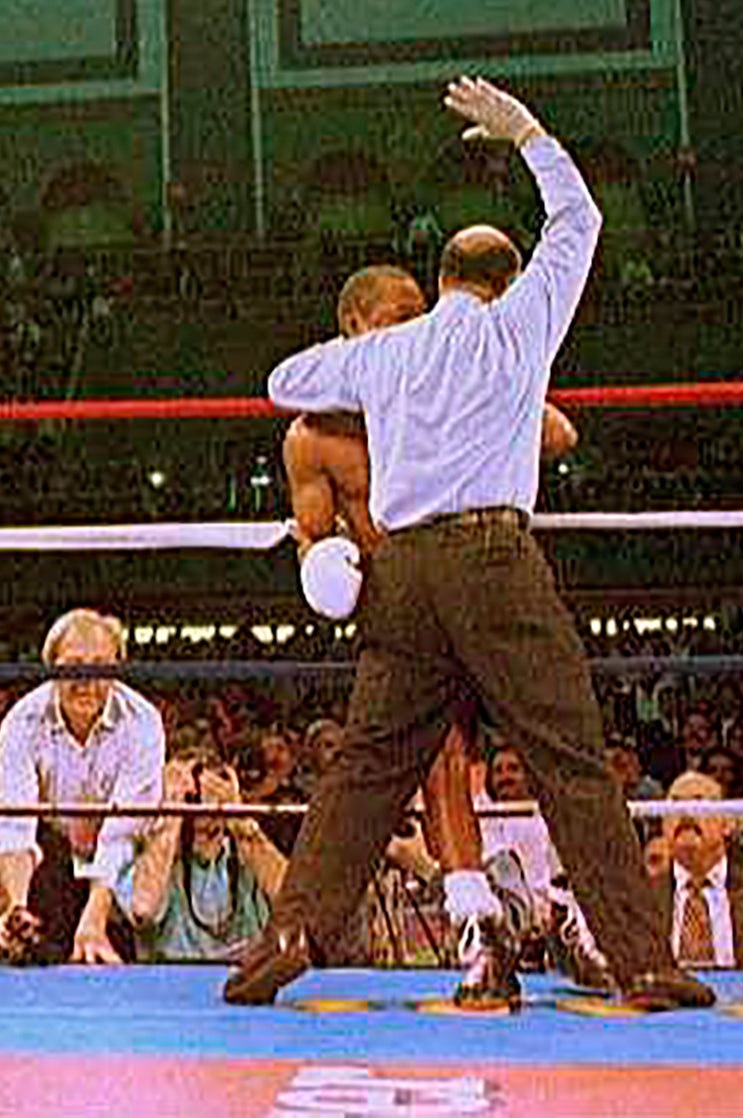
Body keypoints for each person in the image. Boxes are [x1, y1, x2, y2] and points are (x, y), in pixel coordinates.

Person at [226, 77, 712, 1012]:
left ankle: (289, 933)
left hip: (404, 573)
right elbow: (580, 220)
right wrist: (524, 130)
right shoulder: (522, 324)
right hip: (493, 560)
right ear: (505, 278)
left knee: (370, 761)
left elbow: (285, 379)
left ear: (442, 281)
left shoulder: (389, 352)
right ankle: (644, 961)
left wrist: (371, 378)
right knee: (569, 753)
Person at [282, 261, 580, 1006]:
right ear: (351, 329)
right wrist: (324, 565)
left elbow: (557, 433)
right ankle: (476, 924)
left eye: (421, 312)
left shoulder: (444, 375)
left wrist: (493, 404)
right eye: (395, 317)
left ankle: (570, 915)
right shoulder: (313, 435)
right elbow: (312, 537)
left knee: (556, 746)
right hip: (405, 607)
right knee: (442, 758)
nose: (416, 326)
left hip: (484, 585)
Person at [0, 609, 164, 964]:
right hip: (51, 852)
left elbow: (124, 830)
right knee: (21, 935)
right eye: (74, 665)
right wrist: (17, 905)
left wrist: (95, 918)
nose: (86, 680)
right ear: (52, 668)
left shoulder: (143, 721)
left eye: (99, 666)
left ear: (116, 668)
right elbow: (11, 821)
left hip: (120, 860)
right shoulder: (21, 721)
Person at [128, 751, 285, 962]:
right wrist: (171, 811)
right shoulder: (152, 853)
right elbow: (143, 908)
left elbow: (294, 901)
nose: (203, 803)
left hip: (245, 978)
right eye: (195, 796)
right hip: (172, 984)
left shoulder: (249, 851)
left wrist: (239, 818)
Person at [658, 772, 743, 968]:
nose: (686, 813)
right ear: (663, 823)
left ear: (727, 823)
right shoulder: (641, 896)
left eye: (699, 803)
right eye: (675, 805)